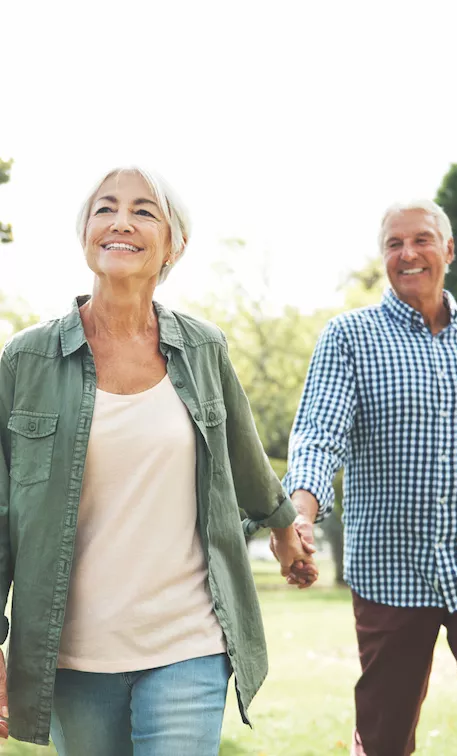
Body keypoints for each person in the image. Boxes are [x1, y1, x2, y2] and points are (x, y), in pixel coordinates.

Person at [0, 166, 317, 755]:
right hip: (72, 655)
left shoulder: (203, 349)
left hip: (188, 642)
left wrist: (283, 529)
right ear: (86, 235)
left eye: (144, 210)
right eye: (105, 208)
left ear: (174, 244)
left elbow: (243, 460)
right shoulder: (26, 361)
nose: (121, 221)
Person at [285, 200, 457, 756]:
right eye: (393, 244)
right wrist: (300, 515)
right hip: (390, 569)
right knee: (385, 736)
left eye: (422, 240)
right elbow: (318, 435)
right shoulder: (349, 337)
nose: (408, 254)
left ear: (448, 250)